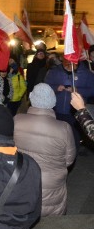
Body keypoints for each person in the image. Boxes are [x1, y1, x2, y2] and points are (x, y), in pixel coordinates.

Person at [14, 83, 76, 216]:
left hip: (22, 178)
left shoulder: (17, 120)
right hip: (51, 184)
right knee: (51, 225)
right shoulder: (64, 128)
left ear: (31, 98)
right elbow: (69, 160)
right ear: (53, 102)